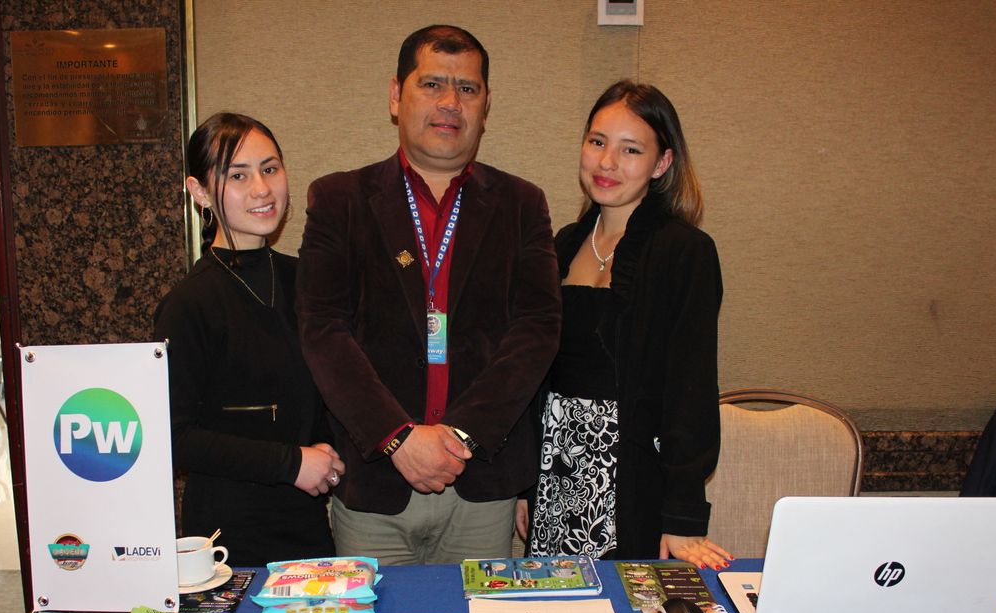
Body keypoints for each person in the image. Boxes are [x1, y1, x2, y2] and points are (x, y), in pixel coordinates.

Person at [296, 25, 561, 565]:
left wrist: (459, 436)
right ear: (396, 95)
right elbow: (324, 331)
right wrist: (397, 438)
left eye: (467, 89)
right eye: (432, 84)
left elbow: (537, 330)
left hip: (480, 484)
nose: (449, 103)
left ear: (487, 104)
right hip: (374, 487)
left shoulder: (521, 205)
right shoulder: (338, 199)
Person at [520, 80, 732, 569]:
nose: (606, 162)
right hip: (556, 475)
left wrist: (682, 516)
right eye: (597, 142)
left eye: (630, 149)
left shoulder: (686, 251)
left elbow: (691, 387)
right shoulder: (562, 243)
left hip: (635, 480)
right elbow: (534, 378)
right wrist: (524, 487)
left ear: (662, 164)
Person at [153, 112, 343, 568]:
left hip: (307, 524)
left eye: (270, 168)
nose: (262, 188)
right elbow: (174, 437)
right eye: (238, 175)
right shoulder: (188, 303)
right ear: (199, 192)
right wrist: (290, 464)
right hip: (227, 537)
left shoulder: (305, 280)